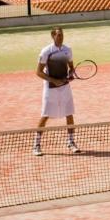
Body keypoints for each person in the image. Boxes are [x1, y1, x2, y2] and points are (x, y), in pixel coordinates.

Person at [33, 27, 81, 156]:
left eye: (62, 35)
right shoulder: (46, 52)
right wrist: (54, 80)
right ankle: (36, 145)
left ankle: (71, 142)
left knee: (69, 114)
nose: (61, 37)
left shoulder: (67, 50)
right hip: (50, 89)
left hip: (65, 87)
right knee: (45, 115)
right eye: (59, 35)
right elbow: (38, 72)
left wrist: (71, 74)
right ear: (53, 36)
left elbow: (71, 68)